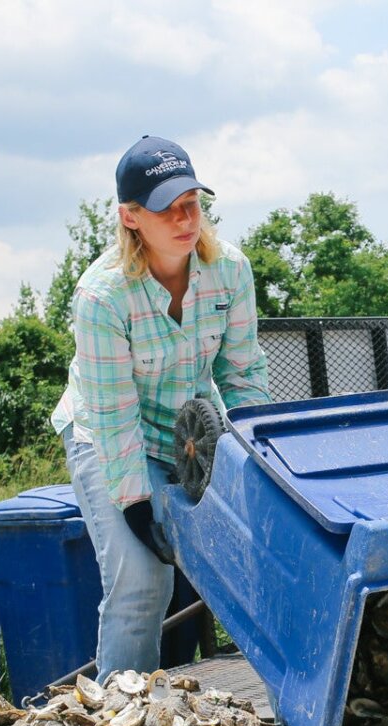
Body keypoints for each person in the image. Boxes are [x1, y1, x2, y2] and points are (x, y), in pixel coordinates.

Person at [49, 135, 271, 678]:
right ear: (130, 217)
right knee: (143, 581)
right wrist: (136, 506)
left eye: (192, 204)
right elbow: (111, 416)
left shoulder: (231, 271)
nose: (184, 219)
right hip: (106, 435)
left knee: (237, 555)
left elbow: (241, 375)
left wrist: (262, 460)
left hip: (191, 432)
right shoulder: (103, 297)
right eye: (166, 209)